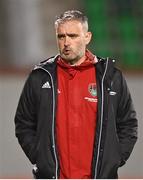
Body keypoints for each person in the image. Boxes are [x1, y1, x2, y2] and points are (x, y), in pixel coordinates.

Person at [14, 10, 138, 179]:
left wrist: (114, 158)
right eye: (61, 36)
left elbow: (128, 124)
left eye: (73, 36)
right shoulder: (40, 76)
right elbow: (23, 123)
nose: (66, 42)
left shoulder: (110, 77)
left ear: (87, 37)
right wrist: (40, 156)